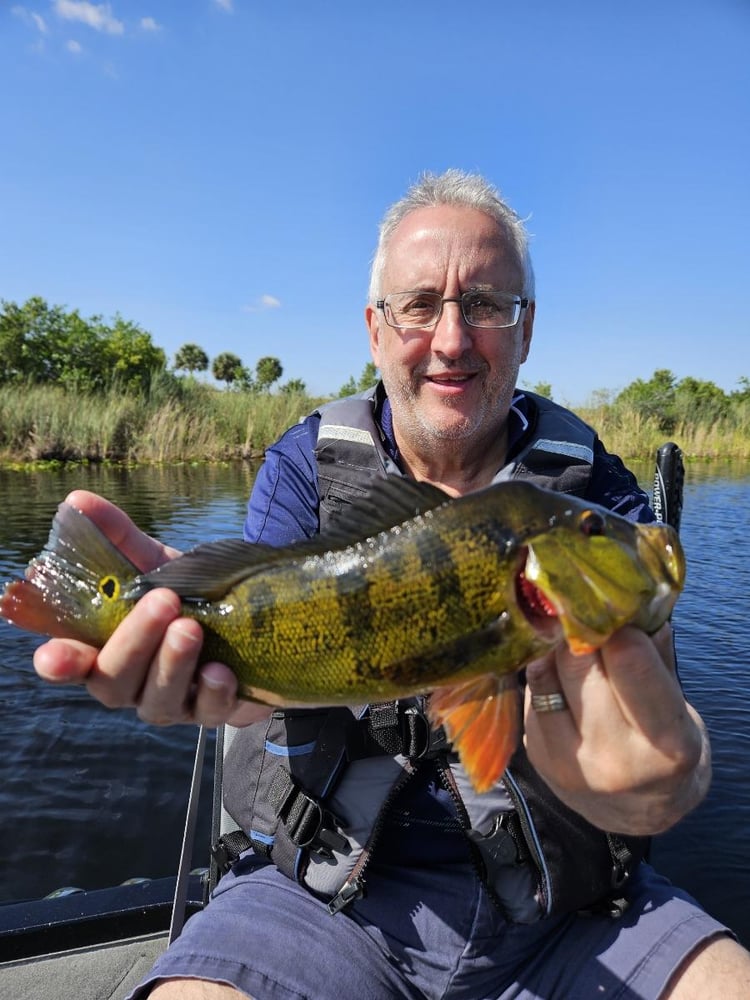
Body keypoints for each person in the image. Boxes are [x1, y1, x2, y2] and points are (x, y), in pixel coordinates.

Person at [34, 170, 750, 999]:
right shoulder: (305, 469)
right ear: (375, 329)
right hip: (322, 903)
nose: (451, 337)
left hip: (575, 914)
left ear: (526, 331)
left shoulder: (592, 495)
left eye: (486, 303)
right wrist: (222, 682)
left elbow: (664, 701)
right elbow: (267, 660)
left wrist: (671, 781)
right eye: (418, 304)